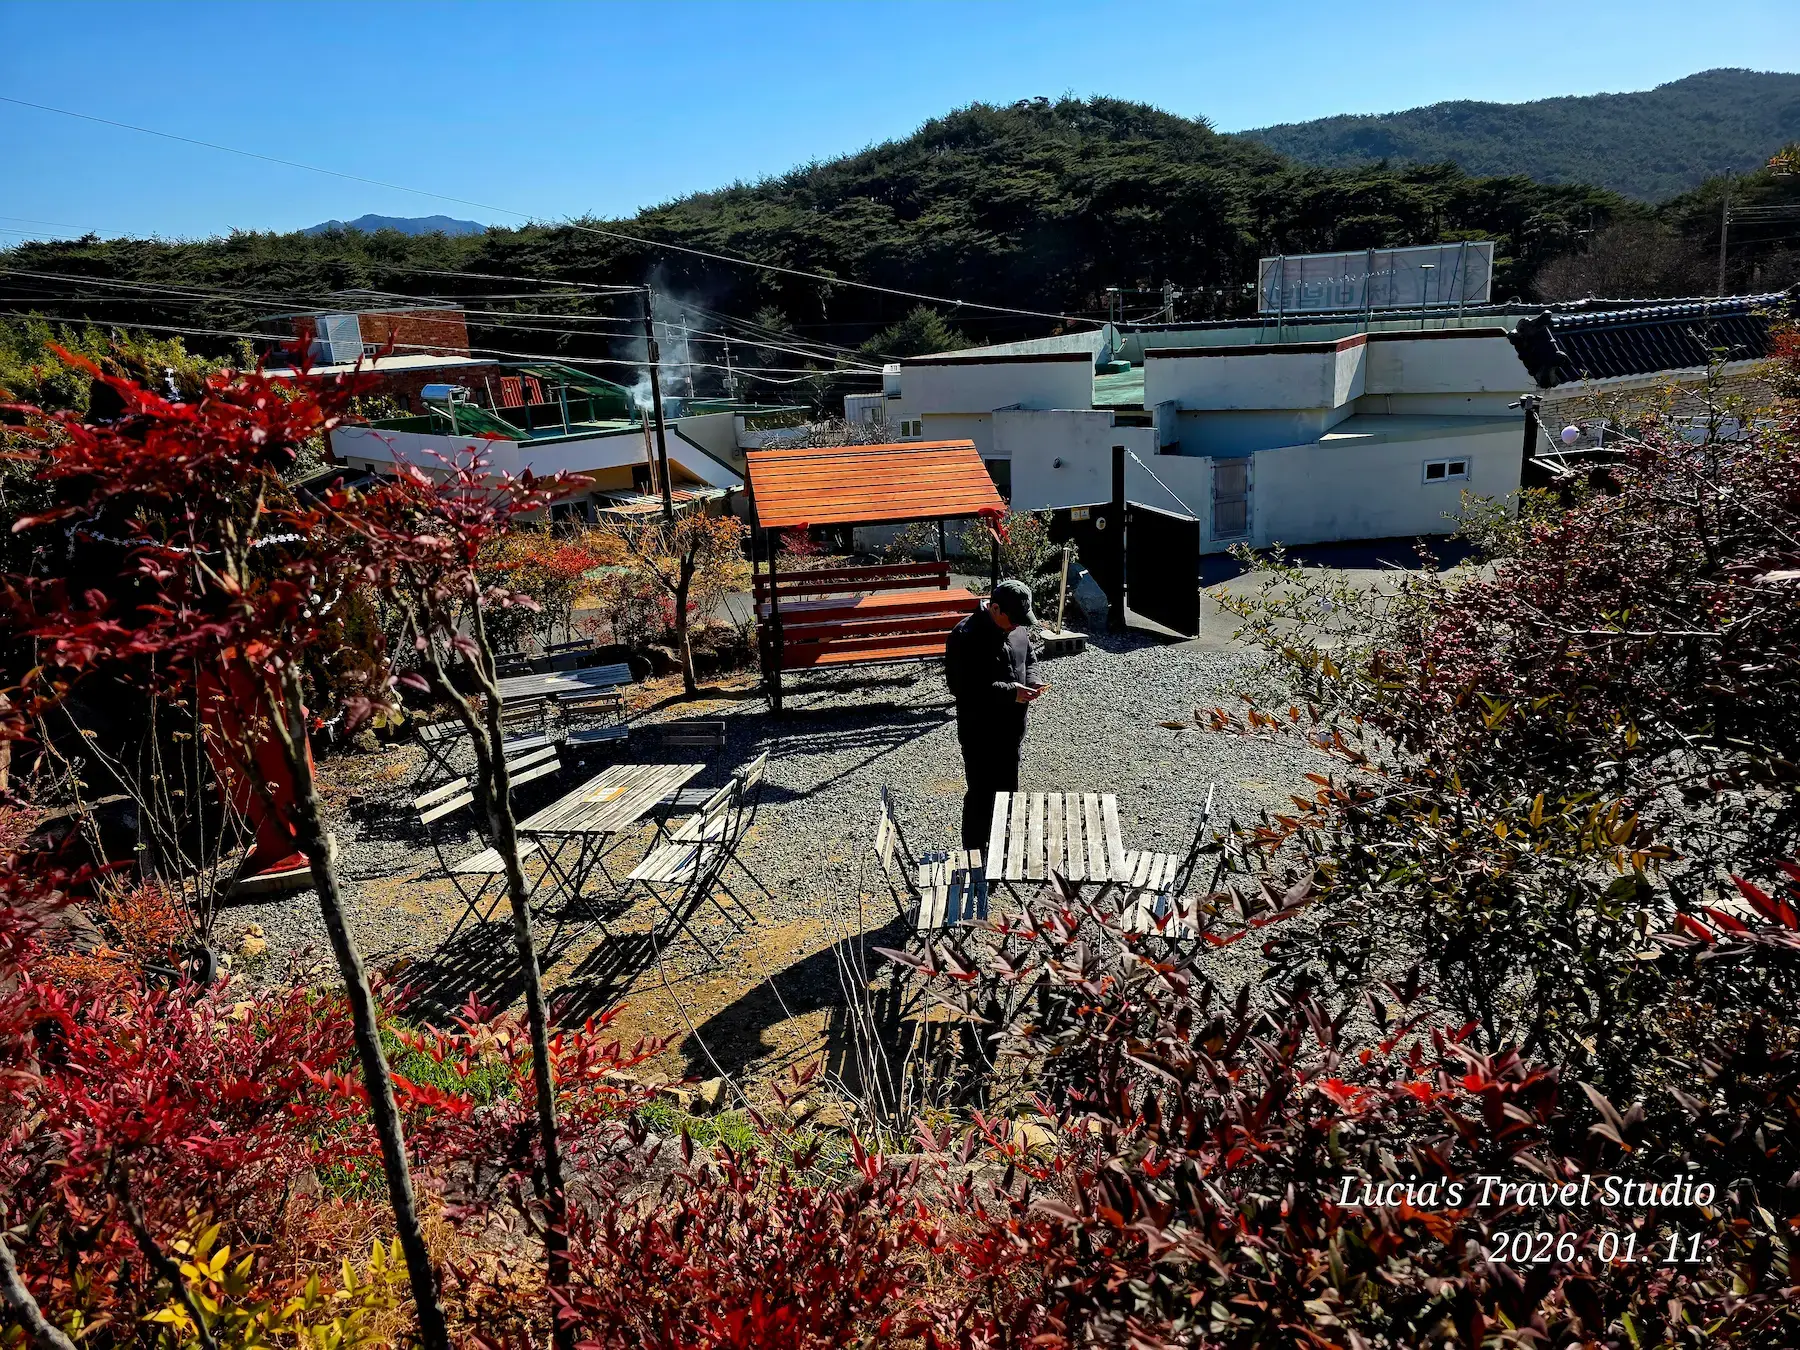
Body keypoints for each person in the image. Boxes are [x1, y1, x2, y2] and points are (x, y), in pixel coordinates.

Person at [943, 578, 1044, 850]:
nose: (1018, 625)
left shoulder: (1015, 626)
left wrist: (1032, 680)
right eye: (1014, 618)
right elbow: (963, 687)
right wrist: (1012, 692)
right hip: (981, 733)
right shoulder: (966, 636)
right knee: (982, 796)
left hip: (1011, 730)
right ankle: (974, 854)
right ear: (995, 608)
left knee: (1008, 793)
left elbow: (1028, 656)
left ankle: (999, 846)